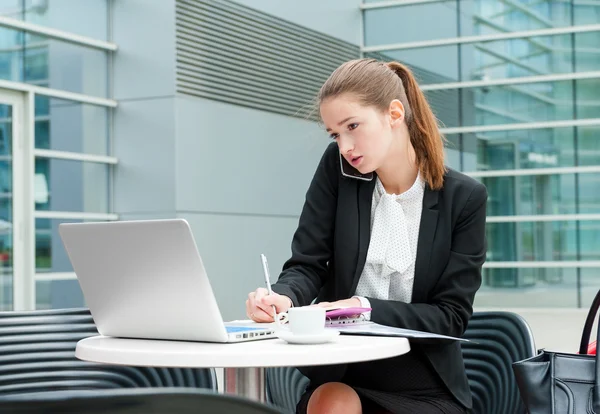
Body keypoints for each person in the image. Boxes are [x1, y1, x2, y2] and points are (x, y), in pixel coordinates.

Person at [245, 58, 487, 414]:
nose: (344, 146)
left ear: (394, 113)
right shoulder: (337, 171)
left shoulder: (463, 198)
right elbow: (308, 265)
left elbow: (450, 316)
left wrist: (363, 308)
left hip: (423, 381)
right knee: (331, 400)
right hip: (343, 368)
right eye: (335, 134)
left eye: (353, 126)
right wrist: (283, 298)